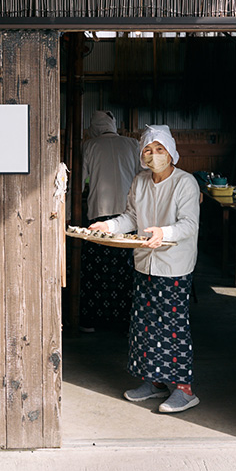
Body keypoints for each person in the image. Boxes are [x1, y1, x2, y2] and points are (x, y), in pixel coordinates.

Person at [90, 124, 201, 414]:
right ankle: (153, 382)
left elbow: (189, 224)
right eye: (148, 150)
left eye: (159, 149)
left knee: (172, 327)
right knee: (144, 326)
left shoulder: (185, 183)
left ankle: (184, 389)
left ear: (171, 153)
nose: (153, 155)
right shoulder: (140, 182)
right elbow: (130, 218)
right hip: (144, 263)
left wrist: (163, 233)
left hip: (173, 266)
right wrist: (108, 226)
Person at [78, 110, 140, 330]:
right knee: (126, 269)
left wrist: (68, 213)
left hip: (100, 214)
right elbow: (143, 176)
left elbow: (79, 181)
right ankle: (126, 322)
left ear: (94, 127)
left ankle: (91, 321)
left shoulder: (90, 146)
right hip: (129, 216)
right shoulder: (132, 144)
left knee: (97, 269)